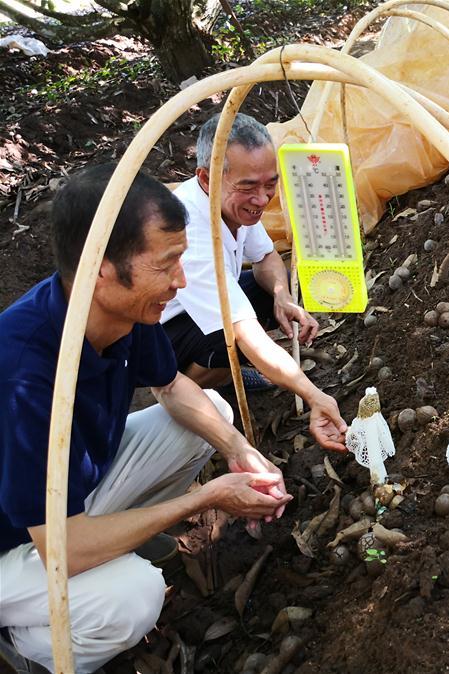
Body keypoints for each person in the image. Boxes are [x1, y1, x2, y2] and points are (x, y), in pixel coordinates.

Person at [0, 166, 295, 674]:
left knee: (213, 414)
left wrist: (238, 449)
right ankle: (30, 644)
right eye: (167, 265)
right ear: (102, 269)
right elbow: (60, 545)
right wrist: (205, 497)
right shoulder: (23, 374)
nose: (180, 281)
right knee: (134, 598)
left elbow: (172, 384)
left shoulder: (124, 313)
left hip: (69, 499)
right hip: (22, 540)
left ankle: (112, 545)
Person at [161, 113, 346, 452]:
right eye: (247, 187)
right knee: (228, 339)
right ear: (207, 178)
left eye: (270, 184)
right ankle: (191, 389)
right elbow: (242, 331)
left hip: (205, 310)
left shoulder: (235, 207)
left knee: (266, 293)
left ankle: (225, 375)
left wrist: (282, 296)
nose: (262, 200)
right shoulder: (190, 230)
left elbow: (267, 258)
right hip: (164, 334)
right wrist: (313, 394)